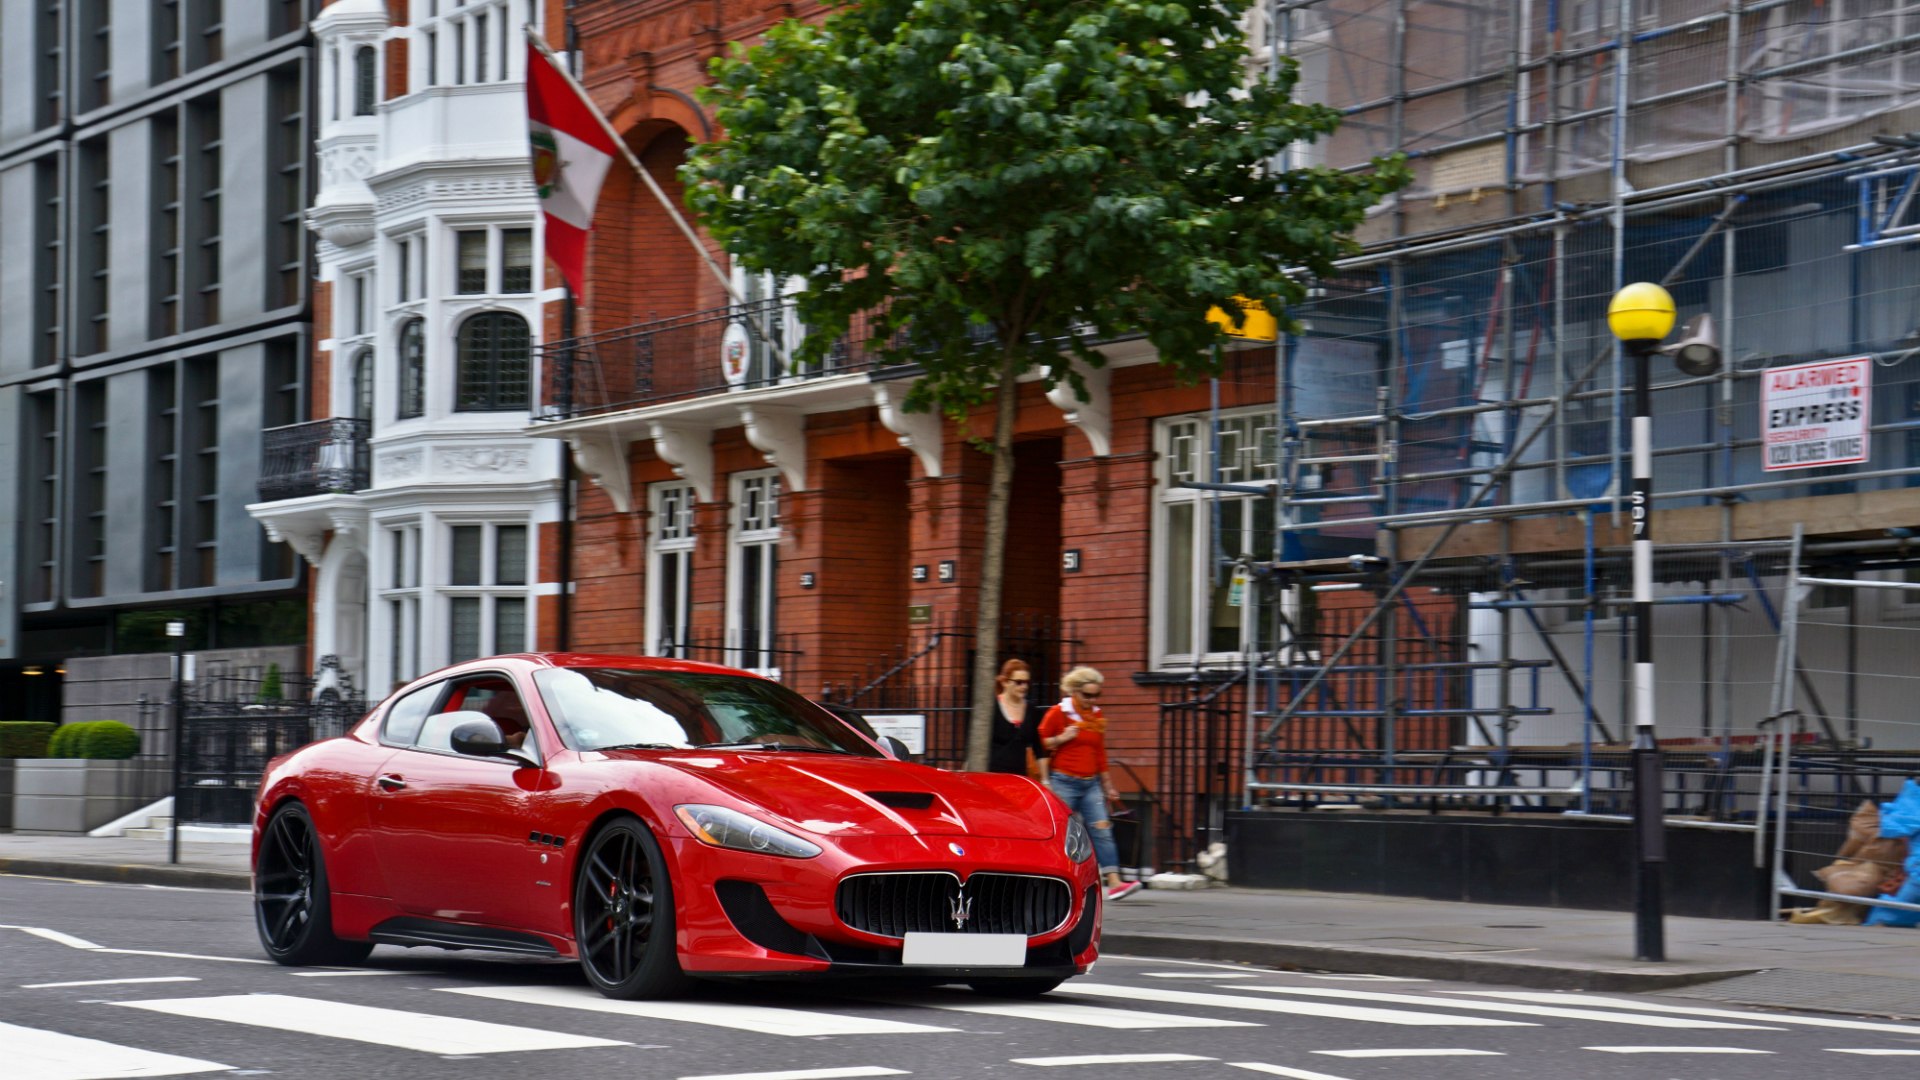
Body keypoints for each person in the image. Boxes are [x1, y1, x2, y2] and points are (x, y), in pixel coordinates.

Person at [1039, 666, 1142, 901]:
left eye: (1097, 695)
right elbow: (1041, 742)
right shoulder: (1059, 713)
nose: (1092, 700)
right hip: (1063, 780)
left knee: (1102, 830)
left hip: (1091, 783)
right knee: (1060, 834)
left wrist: (1108, 784)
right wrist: (1062, 738)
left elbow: (1099, 752)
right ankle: (1054, 880)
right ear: (1074, 692)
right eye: (1088, 695)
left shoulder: (1095, 716)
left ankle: (1114, 882)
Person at [988, 659, 1047, 779]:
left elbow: (1039, 749)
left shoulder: (1032, 710)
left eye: (1027, 682)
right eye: (1019, 682)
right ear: (1005, 682)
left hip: (1020, 778)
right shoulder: (991, 708)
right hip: (992, 777)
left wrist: (1046, 781)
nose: (1024, 687)